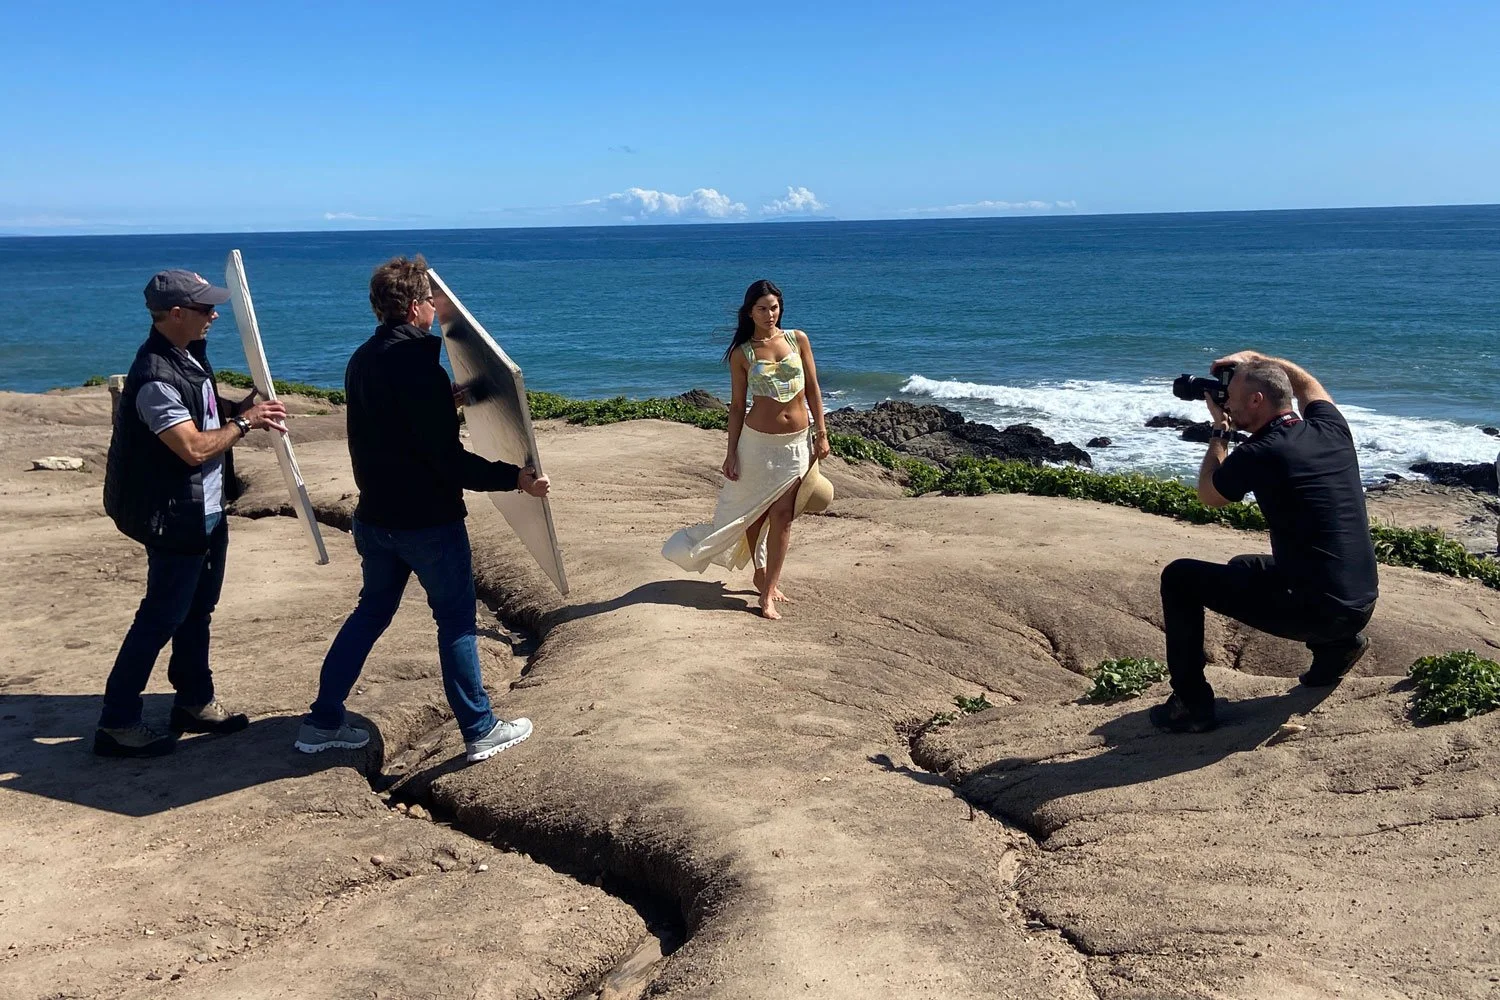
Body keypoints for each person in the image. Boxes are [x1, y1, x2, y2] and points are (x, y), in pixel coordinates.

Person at [295, 255, 549, 762]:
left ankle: (322, 721)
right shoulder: (419, 367)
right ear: (416, 307)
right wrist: (514, 478)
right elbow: (446, 461)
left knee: (370, 613)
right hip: (427, 522)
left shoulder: (362, 358)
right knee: (455, 621)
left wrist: (445, 400)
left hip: (375, 519)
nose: (436, 308)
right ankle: (480, 729)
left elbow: (389, 423)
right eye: (431, 301)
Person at [97, 270, 289, 758]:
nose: (215, 315)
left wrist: (238, 405)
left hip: (203, 511)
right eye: (205, 309)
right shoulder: (155, 378)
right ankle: (117, 722)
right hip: (172, 517)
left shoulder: (186, 357)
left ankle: (194, 702)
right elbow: (192, 448)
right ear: (176, 313)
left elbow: (203, 408)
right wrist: (246, 422)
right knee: (159, 618)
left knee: (197, 611)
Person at [1152, 352, 1380, 732]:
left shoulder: (1261, 452)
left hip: (1320, 611)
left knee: (1179, 578)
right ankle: (1338, 646)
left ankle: (1191, 704)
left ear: (1257, 401)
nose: (1227, 401)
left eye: (1233, 395)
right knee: (1245, 566)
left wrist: (1220, 432)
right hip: (1360, 599)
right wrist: (1258, 358)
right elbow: (1309, 385)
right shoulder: (1330, 428)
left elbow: (1209, 494)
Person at [662, 279, 833, 619]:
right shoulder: (743, 354)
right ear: (749, 312)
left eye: (774, 307)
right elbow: (737, 406)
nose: (770, 314)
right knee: (753, 513)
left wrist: (822, 433)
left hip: (796, 444)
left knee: (783, 518)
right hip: (756, 444)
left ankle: (768, 589)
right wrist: (731, 452)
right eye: (762, 308)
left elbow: (813, 387)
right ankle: (759, 573)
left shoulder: (798, 339)